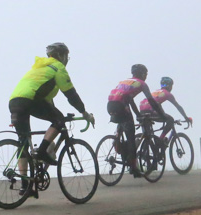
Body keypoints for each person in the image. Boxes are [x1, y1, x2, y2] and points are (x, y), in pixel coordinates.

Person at [8, 42, 94, 196]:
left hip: (14, 101)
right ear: (62, 56)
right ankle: (42, 152)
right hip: (31, 100)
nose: (67, 59)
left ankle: (26, 185)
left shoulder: (39, 67)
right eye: (66, 56)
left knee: (23, 142)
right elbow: (71, 94)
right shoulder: (58, 68)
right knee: (59, 121)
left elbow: (47, 100)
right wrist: (84, 112)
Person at [106, 64, 162, 176]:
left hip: (111, 105)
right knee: (131, 137)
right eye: (146, 74)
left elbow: (130, 100)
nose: (146, 76)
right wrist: (162, 114)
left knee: (122, 127)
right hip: (122, 106)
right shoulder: (142, 84)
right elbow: (152, 101)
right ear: (142, 74)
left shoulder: (125, 81)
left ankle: (119, 145)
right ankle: (133, 168)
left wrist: (137, 114)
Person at [137, 76, 193, 141]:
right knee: (170, 120)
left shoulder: (155, 92)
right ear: (170, 86)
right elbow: (178, 107)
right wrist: (186, 117)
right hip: (151, 111)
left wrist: (162, 113)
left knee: (148, 135)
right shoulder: (167, 94)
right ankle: (161, 139)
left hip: (141, 111)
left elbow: (158, 105)